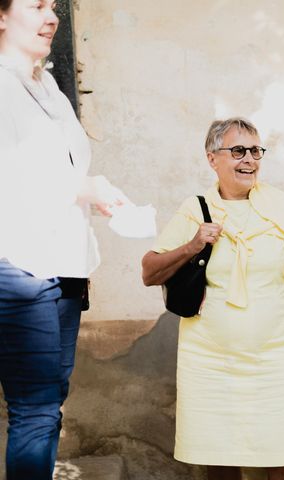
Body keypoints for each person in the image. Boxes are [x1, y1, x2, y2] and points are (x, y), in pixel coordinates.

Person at [142, 117, 284, 480]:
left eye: (256, 151)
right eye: (238, 150)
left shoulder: (283, 207)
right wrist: (194, 244)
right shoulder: (195, 209)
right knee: (219, 459)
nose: (249, 160)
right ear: (212, 159)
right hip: (210, 360)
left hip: (276, 357)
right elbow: (149, 271)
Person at [0, 1, 130, 479]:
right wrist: (79, 189)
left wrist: (93, 192)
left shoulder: (48, 85)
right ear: (0, 15)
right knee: (34, 409)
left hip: (66, 263)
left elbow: (67, 169)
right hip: (20, 267)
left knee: (52, 402)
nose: (51, 16)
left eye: (54, 6)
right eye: (36, 5)